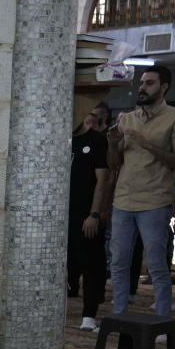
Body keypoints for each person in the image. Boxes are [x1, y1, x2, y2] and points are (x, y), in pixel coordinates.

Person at [107, 65, 175, 330]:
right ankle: (119, 317)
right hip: (123, 200)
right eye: (141, 83)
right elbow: (114, 163)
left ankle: (162, 322)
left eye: (149, 83)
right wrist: (111, 142)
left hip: (155, 201)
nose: (142, 88)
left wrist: (145, 142)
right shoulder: (127, 118)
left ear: (163, 87)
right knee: (118, 262)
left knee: (156, 267)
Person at [68, 107, 111, 332]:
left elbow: (102, 179)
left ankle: (89, 314)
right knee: (68, 263)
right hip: (61, 213)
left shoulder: (96, 141)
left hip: (85, 213)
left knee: (91, 264)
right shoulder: (62, 138)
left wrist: (94, 214)